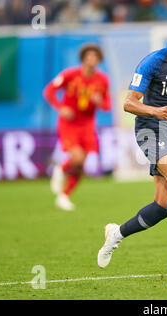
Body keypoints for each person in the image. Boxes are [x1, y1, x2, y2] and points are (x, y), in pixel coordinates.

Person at [97, 15, 167, 280]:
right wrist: (155, 110)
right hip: (151, 128)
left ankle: (116, 234)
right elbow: (129, 103)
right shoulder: (154, 62)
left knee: (162, 205)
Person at [43, 43, 111, 211]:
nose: (92, 60)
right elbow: (49, 91)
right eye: (89, 56)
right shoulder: (70, 74)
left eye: (95, 57)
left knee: (80, 166)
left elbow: (107, 105)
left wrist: (99, 102)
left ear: (99, 60)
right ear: (83, 58)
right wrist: (61, 108)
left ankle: (64, 195)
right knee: (77, 157)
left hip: (87, 124)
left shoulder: (102, 79)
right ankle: (61, 168)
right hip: (69, 123)